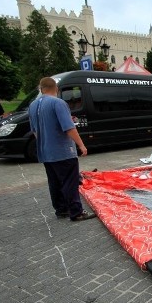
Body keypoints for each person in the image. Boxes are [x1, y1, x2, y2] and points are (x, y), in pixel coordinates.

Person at [28, 77, 96, 221]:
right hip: (63, 152)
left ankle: (61, 209)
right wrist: (81, 145)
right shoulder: (58, 103)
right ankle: (76, 212)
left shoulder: (33, 105)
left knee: (54, 182)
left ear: (41, 89)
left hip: (45, 152)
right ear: (56, 88)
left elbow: (34, 130)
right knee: (70, 182)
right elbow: (69, 127)